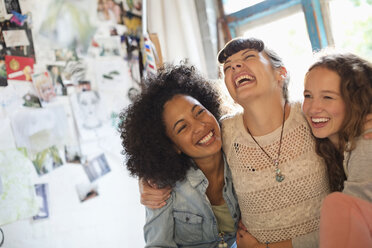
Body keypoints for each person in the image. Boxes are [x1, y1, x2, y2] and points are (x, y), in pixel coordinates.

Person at [119, 63, 240, 247]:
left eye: (199, 112)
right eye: (182, 127)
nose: (200, 126)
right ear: (172, 146)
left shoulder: (242, 150)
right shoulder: (162, 187)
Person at [302, 52, 372, 247]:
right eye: (308, 95)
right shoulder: (329, 144)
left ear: (355, 101)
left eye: (327, 97)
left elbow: (351, 228)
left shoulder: (367, 141)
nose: (313, 108)